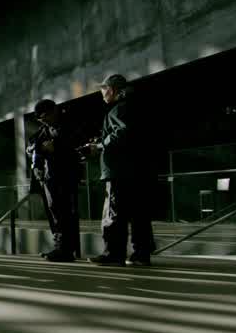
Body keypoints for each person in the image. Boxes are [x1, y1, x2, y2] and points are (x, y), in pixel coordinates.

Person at [84, 74, 156, 267]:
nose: (101, 93)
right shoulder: (135, 107)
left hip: (119, 171)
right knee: (138, 213)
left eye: (103, 88)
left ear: (113, 90)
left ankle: (114, 254)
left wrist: (100, 146)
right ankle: (141, 254)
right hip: (137, 170)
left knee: (114, 214)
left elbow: (122, 133)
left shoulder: (118, 110)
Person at [28, 99, 82, 262]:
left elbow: (76, 145)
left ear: (54, 112)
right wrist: (38, 148)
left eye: (44, 117)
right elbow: (33, 145)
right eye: (40, 119)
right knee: (54, 211)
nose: (43, 120)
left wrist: (55, 146)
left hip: (64, 176)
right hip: (49, 177)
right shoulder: (44, 129)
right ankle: (60, 246)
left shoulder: (68, 126)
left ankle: (64, 249)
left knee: (63, 212)